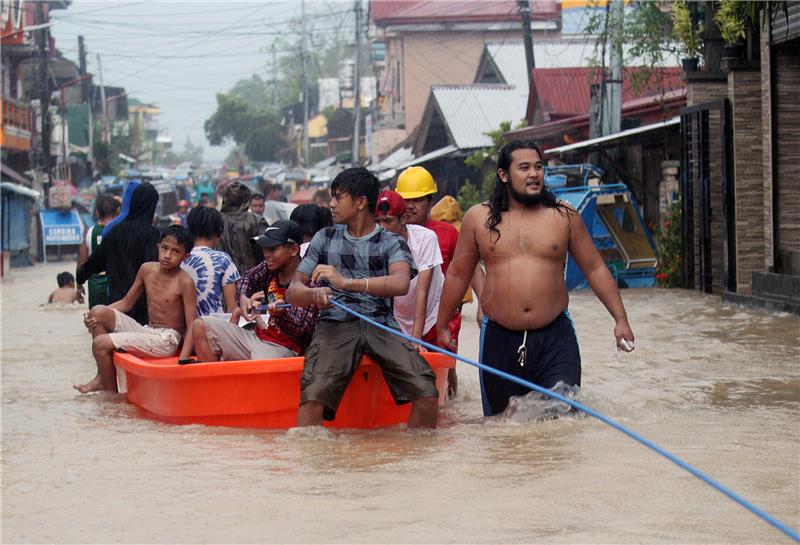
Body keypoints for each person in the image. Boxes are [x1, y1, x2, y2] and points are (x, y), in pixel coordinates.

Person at [435, 140, 635, 416]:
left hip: (555, 339)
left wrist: (620, 319)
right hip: (499, 341)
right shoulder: (478, 218)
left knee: (560, 425)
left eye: (539, 167)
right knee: (503, 430)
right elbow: (459, 273)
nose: (534, 174)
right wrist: (442, 324)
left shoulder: (564, 216)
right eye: (525, 167)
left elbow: (595, 268)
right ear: (504, 175)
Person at [286, 167, 439, 429]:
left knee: (427, 392)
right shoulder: (324, 238)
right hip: (334, 325)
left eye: (338, 197)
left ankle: (415, 463)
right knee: (312, 398)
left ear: (359, 203)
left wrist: (347, 283)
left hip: (381, 324)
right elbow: (293, 290)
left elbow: (401, 283)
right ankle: (309, 465)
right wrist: (313, 293)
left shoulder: (390, 242)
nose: (331, 205)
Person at [74, 225, 197, 393]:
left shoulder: (185, 282)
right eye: (165, 248)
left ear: (186, 256)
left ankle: (111, 398)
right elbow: (126, 303)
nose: (168, 255)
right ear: (158, 247)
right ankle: (102, 378)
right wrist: (91, 317)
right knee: (98, 312)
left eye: (176, 252)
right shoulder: (146, 269)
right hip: (147, 330)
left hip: (166, 340)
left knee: (100, 343)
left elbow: (192, 325)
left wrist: (183, 360)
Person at [396, 166, 483, 398]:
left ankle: (450, 403)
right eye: (406, 200)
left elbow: (470, 267)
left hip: (441, 315)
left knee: (445, 364)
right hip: (404, 314)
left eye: (419, 199)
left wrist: (483, 304)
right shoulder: (390, 235)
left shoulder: (447, 232)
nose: (411, 205)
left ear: (430, 201)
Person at [192, 220, 319, 362]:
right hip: (257, 336)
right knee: (200, 326)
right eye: (265, 248)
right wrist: (243, 297)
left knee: (257, 367)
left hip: (285, 348)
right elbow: (247, 278)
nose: (266, 254)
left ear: (294, 250)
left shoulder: (310, 278)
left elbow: (303, 331)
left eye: (273, 249)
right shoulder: (270, 267)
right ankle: (215, 383)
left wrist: (281, 315)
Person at [77, 182, 161, 325]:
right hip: (142, 310)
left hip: (116, 308)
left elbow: (93, 263)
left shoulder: (115, 231)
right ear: (152, 207)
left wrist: (80, 278)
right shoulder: (152, 234)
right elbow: (153, 271)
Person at [374, 190, 444, 348]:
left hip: (431, 316)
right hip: (398, 320)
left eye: (387, 221)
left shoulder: (426, 239)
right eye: (377, 221)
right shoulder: (373, 244)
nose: (382, 228)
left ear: (404, 219)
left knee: (440, 368)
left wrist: (416, 340)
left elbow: (422, 292)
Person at [181, 205, 240, 316]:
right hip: (213, 327)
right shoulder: (223, 260)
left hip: (183, 328)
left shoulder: (180, 258)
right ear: (217, 232)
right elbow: (232, 308)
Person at [76, 194, 120, 308]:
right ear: (117, 213)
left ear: (97, 213)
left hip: (95, 286)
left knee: (95, 322)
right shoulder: (120, 231)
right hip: (116, 286)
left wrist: (79, 286)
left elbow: (81, 263)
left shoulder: (89, 233)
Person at [219, 181, 267, 276]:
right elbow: (267, 249)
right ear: (247, 199)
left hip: (223, 277)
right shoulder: (255, 220)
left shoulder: (216, 220)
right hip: (252, 278)